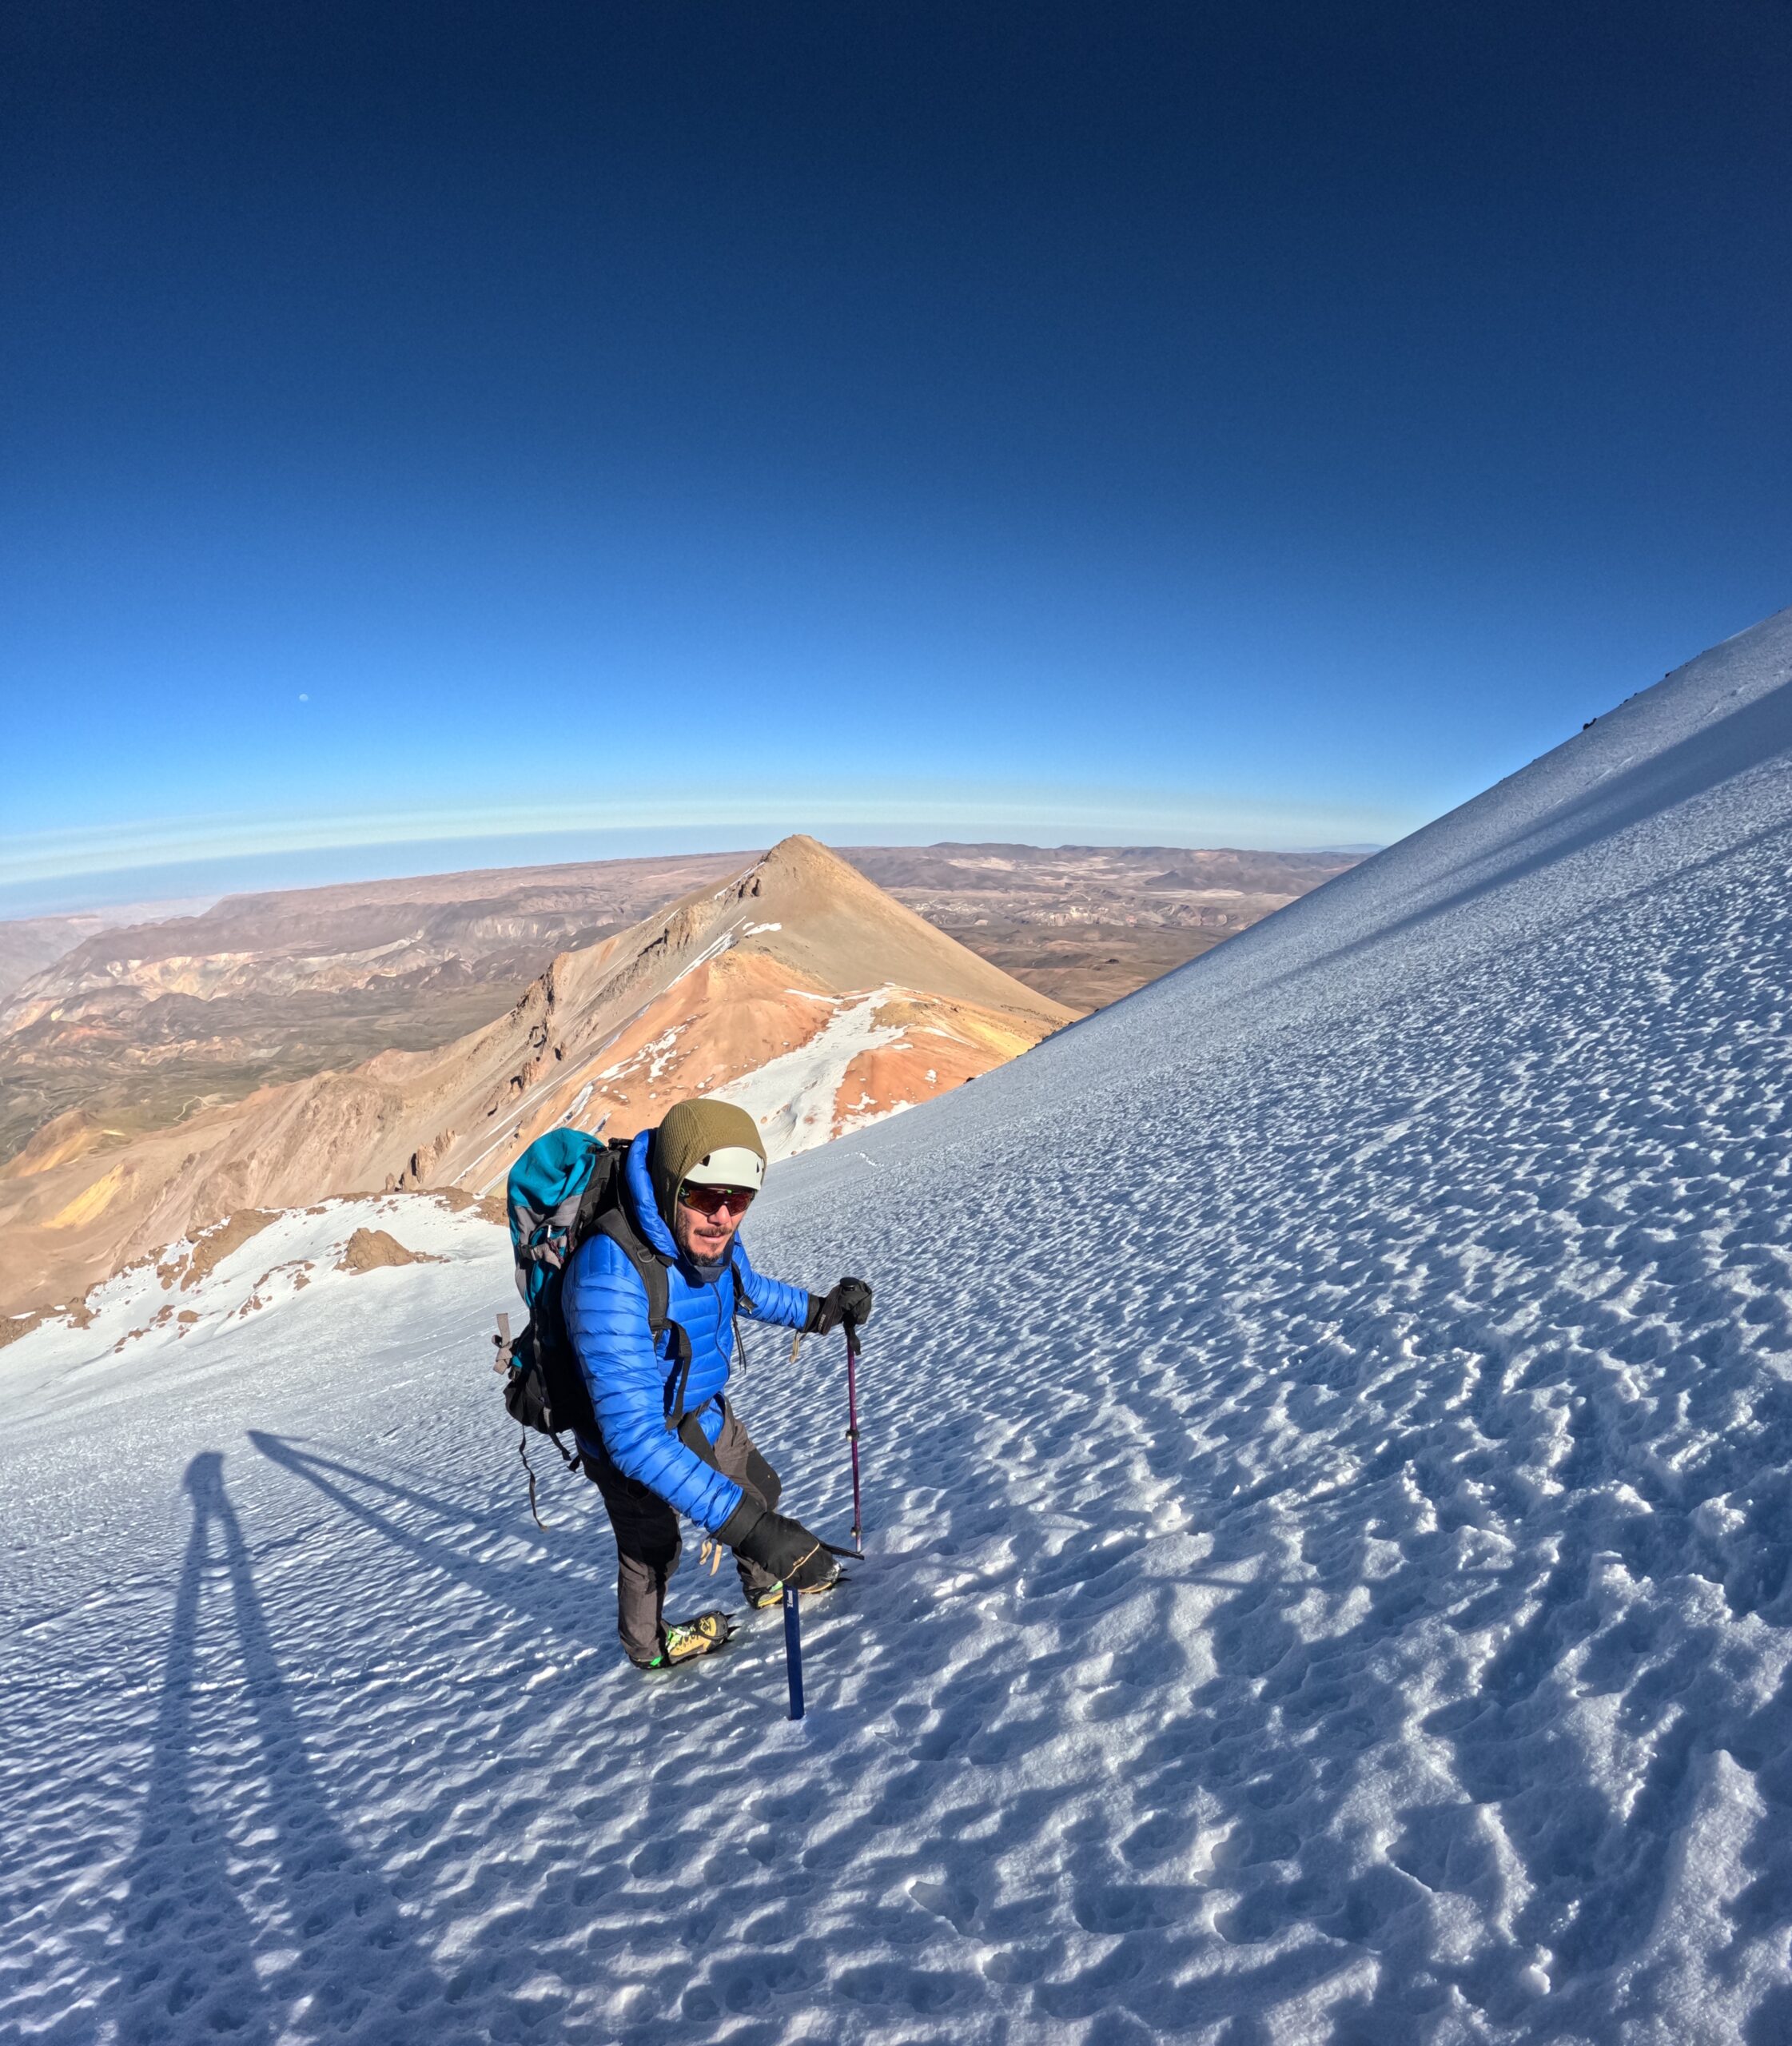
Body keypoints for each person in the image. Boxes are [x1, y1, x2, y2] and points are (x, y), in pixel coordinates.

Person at [562, 1097, 873, 1669]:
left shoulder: (709, 1237)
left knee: (760, 1488)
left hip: (700, 1407)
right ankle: (650, 1647)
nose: (724, 1217)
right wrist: (751, 1531)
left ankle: (766, 1584)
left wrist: (820, 1312)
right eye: (707, 1197)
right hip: (627, 1435)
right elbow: (633, 1439)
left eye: (740, 1200)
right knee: (652, 1547)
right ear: (672, 1183)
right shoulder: (607, 1274)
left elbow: (746, 1288)